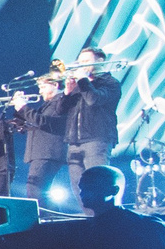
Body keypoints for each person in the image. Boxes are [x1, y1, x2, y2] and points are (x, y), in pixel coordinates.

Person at [59, 47, 124, 184]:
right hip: (74, 141)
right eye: (80, 61)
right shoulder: (80, 85)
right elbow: (61, 111)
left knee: (97, 183)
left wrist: (83, 80)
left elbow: (93, 100)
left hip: (97, 139)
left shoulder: (110, 83)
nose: (82, 64)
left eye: (86, 61)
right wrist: (67, 92)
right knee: (78, 186)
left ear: (100, 61)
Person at [14, 74, 70, 207]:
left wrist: (23, 107)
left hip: (48, 152)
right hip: (40, 152)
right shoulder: (47, 104)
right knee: (36, 190)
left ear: (55, 85)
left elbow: (43, 121)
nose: (40, 91)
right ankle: (47, 219)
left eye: (43, 86)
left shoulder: (61, 101)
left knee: (36, 190)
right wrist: (19, 111)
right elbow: (31, 122)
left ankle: (46, 220)